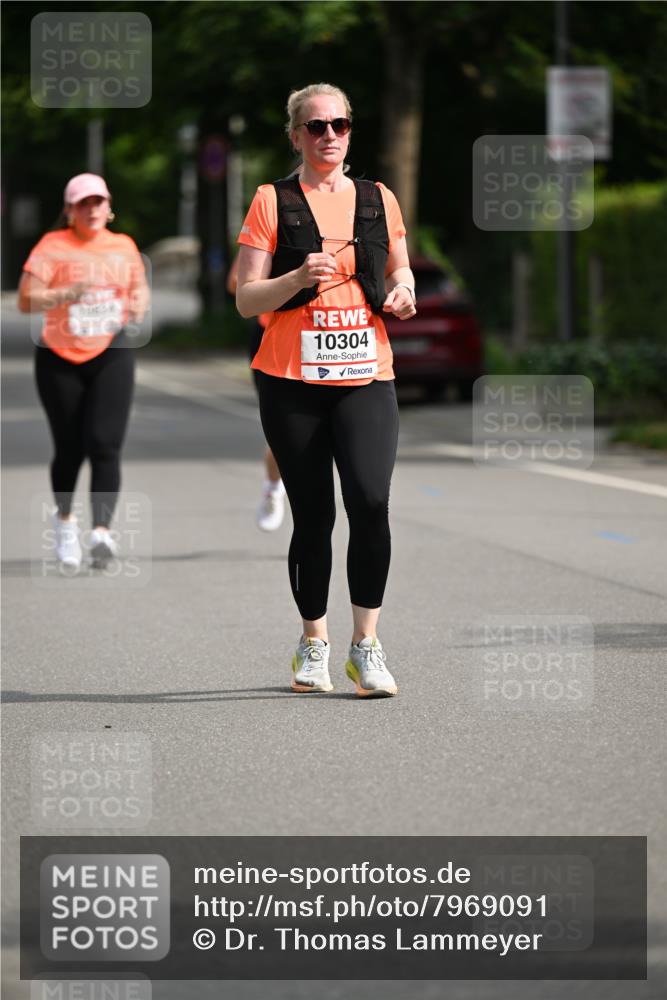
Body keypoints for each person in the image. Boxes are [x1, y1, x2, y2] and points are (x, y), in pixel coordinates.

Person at [235, 83, 417, 698]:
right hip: (291, 380)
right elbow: (245, 298)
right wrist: (293, 277)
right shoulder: (271, 200)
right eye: (316, 127)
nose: (329, 136)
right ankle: (314, 641)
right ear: (296, 136)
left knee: (370, 501)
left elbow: (398, 265)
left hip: (367, 374)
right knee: (314, 517)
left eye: (339, 124)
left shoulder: (377, 198)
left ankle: (366, 646)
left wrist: (404, 291)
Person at [18, 173, 149, 572]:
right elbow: (26, 300)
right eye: (83, 203)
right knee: (70, 447)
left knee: (105, 443)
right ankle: (65, 524)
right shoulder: (52, 246)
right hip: (60, 356)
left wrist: (138, 305)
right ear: (70, 210)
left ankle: (102, 531)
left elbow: (138, 289)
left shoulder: (123, 246)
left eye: (98, 202)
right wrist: (64, 294)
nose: (91, 210)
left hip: (111, 351)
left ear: (108, 208)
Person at [226, 255, 285, 531]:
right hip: (270, 333)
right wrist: (288, 280)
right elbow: (235, 282)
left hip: (322, 335)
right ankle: (273, 488)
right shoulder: (268, 229)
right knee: (283, 427)